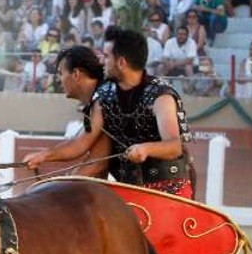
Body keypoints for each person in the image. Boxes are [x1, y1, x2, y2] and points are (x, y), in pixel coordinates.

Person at [25, 27, 194, 198]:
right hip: (131, 191)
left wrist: (146, 148)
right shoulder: (105, 96)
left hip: (169, 189)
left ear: (121, 62)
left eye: (106, 57)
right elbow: (82, 142)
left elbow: (174, 146)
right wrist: (44, 155)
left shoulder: (161, 96)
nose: (102, 61)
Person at [21, 45, 110, 176]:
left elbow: (96, 160)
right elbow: (84, 148)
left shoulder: (104, 99)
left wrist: (44, 157)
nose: (58, 80)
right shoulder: (99, 97)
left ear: (76, 75)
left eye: (61, 73)